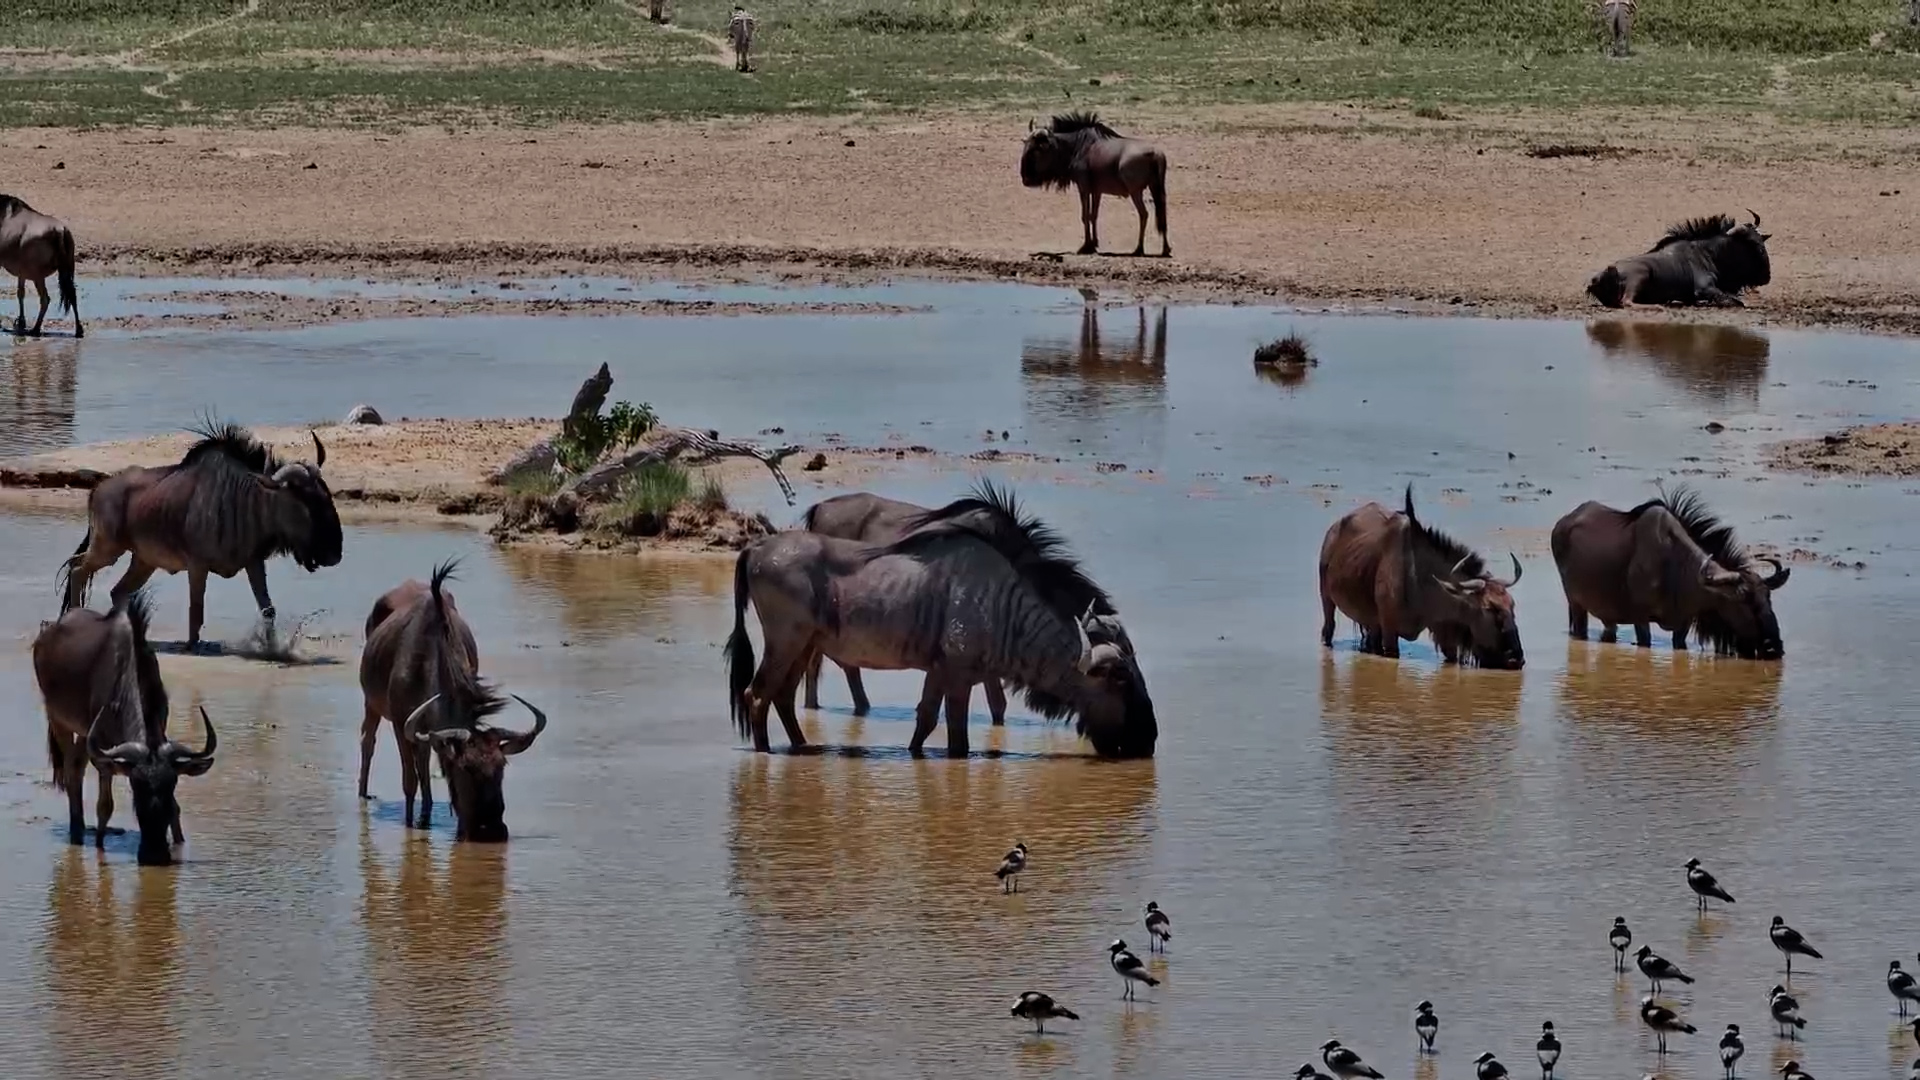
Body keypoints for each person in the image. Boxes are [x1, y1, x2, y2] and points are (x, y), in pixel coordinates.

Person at [728, 6, 756, 72]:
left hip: (738, 24)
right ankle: (746, 62)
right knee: (746, 44)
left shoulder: (735, 16)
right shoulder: (748, 15)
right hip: (749, 23)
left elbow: (730, 26)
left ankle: (738, 62)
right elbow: (754, 26)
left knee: (738, 44)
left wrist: (730, 33)